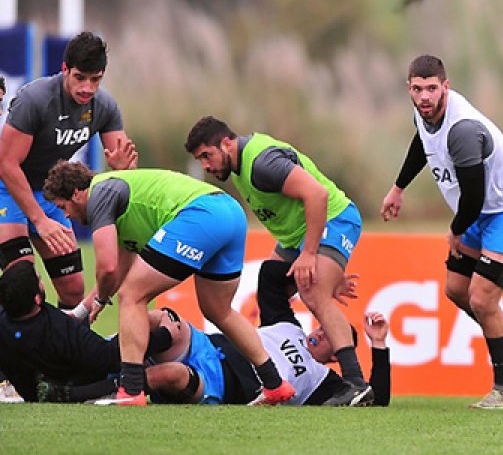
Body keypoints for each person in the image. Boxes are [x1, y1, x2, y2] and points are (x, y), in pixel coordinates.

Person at [41, 161, 294, 406]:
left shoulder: (99, 195)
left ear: (76, 193)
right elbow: (119, 269)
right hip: (230, 212)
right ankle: (274, 384)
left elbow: (107, 267)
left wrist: (99, 300)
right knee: (219, 310)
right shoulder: (116, 206)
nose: (65, 215)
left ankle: (130, 390)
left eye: (63, 207)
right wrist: (83, 311)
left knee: (132, 295)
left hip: (202, 213)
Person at [184, 116, 372, 407]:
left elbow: (317, 195)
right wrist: (325, 266)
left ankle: (355, 382)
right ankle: (270, 373)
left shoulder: (261, 163)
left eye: (207, 156)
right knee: (270, 277)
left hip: (333, 219)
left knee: (313, 292)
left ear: (226, 143)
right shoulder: (238, 166)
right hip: (296, 236)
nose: (206, 167)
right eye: (200, 160)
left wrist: (311, 255)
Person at [381, 54, 503, 410]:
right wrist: (398, 187)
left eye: (432, 89)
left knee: (482, 298)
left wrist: (456, 231)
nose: (424, 97)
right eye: (417, 89)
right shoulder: (424, 111)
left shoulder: (463, 130)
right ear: (409, 89)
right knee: (456, 289)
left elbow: (475, 197)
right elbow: (422, 141)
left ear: (446, 87)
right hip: (476, 210)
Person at [0, 32, 137, 310]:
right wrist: (39, 221)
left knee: (74, 291)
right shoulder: (35, 100)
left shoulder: (106, 107)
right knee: (26, 288)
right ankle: (18, 349)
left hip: (49, 196)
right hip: (8, 191)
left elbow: (126, 168)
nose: (87, 87)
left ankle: (61, 351)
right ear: (65, 70)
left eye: (95, 79)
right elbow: (6, 164)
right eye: (80, 78)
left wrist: (124, 169)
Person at [144, 261, 391, 406]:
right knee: (162, 319)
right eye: (324, 326)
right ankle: (109, 353)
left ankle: (114, 388)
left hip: (226, 381)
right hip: (206, 345)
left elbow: (374, 400)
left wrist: (378, 344)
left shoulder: (322, 381)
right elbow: (271, 274)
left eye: (332, 336)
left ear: (337, 356)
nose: (323, 332)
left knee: (169, 374)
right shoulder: (287, 324)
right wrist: (322, 278)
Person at [0, 260, 174, 402]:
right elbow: (108, 357)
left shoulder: (7, 324)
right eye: (39, 280)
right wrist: (165, 336)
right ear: (37, 298)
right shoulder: (59, 330)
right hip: (95, 381)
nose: (42, 282)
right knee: (168, 358)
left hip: (45, 385)